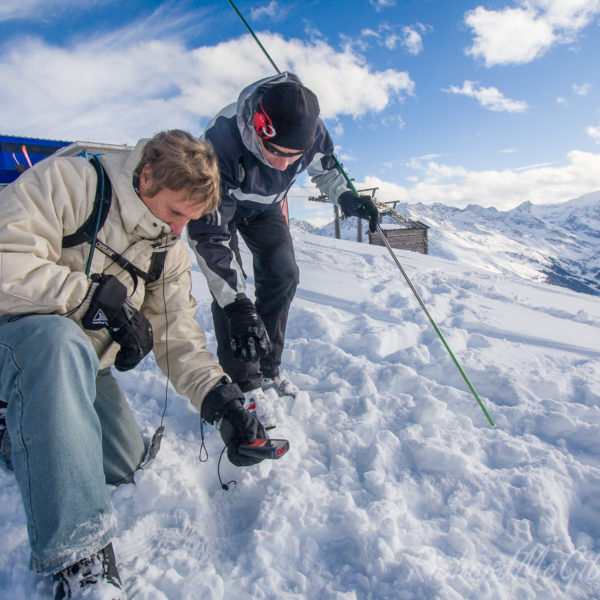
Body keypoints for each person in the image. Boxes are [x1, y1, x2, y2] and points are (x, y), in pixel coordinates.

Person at [0, 130, 266, 600]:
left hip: (80, 366)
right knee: (58, 340)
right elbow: (6, 258)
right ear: (145, 178)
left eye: (193, 219)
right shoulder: (72, 183)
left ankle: (15, 431)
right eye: (176, 213)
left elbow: (176, 331)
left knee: (124, 466)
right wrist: (87, 298)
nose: (181, 229)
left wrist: (222, 402)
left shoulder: (168, 245)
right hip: (20, 342)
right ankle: (80, 559)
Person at [187, 72, 378, 426]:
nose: (284, 164)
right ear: (259, 127)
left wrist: (347, 197)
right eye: (275, 152)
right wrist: (237, 305)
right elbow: (208, 236)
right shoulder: (219, 143)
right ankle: (243, 383)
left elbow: (327, 170)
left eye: (295, 156)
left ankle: (268, 368)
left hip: (266, 208)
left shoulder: (314, 132)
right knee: (232, 288)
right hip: (221, 202)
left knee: (283, 274)